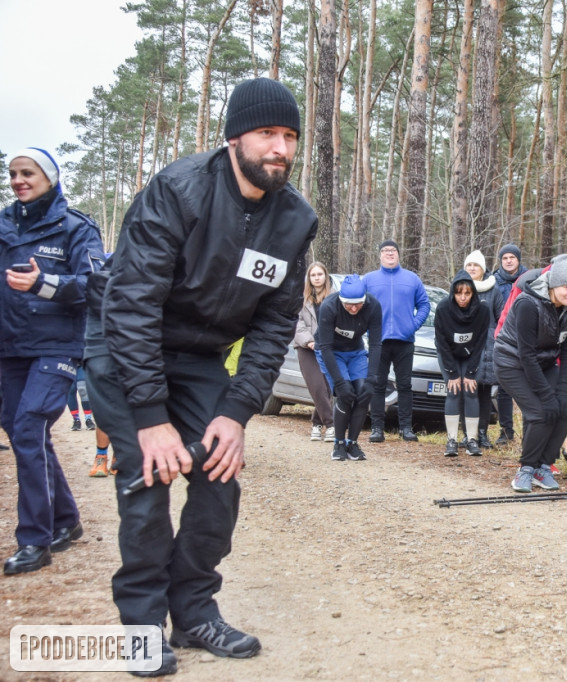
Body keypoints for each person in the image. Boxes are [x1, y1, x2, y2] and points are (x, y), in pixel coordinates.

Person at [83, 77, 317, 674]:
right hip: (125, 347)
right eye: (268, 133)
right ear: (235, 136)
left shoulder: (294, 221)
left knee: (219, 475)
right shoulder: (179, 191)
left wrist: (236, 413)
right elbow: (131, 305)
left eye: (289, 136)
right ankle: (141, 628)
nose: (280, 149)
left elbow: (272, 327)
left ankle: (193, 612)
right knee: (149, 477)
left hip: (200, 357)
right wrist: (150, 419)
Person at [0, 147, 103, 576]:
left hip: (57, 346)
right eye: (13, 174)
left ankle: (34, 540)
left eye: (28, 173)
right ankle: (66, 520)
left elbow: (97, 284)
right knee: (25, 432)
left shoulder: (75, 227)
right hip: (9, 347)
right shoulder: (3, 225)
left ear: (50, 176)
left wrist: (45, 284)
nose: (19, 180)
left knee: (29, 427)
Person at [494, 255, 567, 492]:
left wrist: (562, 391)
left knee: (563, 410)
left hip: (543, 362)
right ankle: (526, 469)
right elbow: (526, 355)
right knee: (540, 412)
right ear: (553, 285)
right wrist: (546, 395)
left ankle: (543, 466)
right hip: (511, 362)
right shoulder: (527, 304)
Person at [363, 240, 429, 443]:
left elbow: (424, 304)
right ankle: (377, 428)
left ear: (398, 254)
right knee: (378, 385)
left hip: (404, 341)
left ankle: (406, 428)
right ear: (380, 255)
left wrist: (413, 325)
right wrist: (367, 328)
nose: (389, 253)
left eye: (393, 250)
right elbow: (357, 305)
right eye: (385, 251)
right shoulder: (369, 279)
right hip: (378, 342)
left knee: (405, 385)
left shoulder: (411, 279)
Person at [316, 275, 381, 462]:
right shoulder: (329, 306)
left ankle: (352, 443)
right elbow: (326, 347)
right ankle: (338, 443)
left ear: (364, 300)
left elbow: (376, 344)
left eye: (358, 304)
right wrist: (339, 383)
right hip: (331, 351)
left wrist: (371, 379)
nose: (353, 308)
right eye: (348, 305)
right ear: (341, 300)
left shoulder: (373, 306)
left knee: (362, 392)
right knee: (345, 393)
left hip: (355, 351)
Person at [434, 269, 491, 456]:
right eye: (459, 293)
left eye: (467, 293)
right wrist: (452, 373)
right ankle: (452, 440)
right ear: (453, 293)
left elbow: (481, 342)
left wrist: (471, 372)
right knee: (454, 390)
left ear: (473, 293)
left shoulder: (482, 311)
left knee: (471, 390)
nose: (463, 297)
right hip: (449, 355)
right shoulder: (443, 309)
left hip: (471, 355)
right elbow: (441, 343)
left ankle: (472, 440)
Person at [294, 262, 337, 442]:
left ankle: (316, 424)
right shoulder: (300, 298)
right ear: (309, 278)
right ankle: (332, 425)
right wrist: (309, 341)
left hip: (329, 347)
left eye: (320, 274)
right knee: (317, 387)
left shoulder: (335, 297)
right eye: (313, 275)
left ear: (325, 277)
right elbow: (296, 323)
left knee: (328, 388)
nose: (317, 278)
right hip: (307, 349)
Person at [464, 250, 503, 448]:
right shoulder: (460, 288)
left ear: (483, 269)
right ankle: (467, 434)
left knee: (485, 391)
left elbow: (501, 318)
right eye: (469, 265)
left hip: (487, 345)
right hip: (466, 343)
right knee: (467, 390)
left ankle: (482, 433)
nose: (472, 269)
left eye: (476, 265)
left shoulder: (493, 289)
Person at [492, 243, 526, 445]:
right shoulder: (493, 282)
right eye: (505, 258)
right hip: (503, 338)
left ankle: (532, 430)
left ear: (518, 260)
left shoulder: (529, 279)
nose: (509, 261)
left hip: (526, 337)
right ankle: (506, 431)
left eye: (512, 257)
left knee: (529, 386)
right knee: (504, 387)